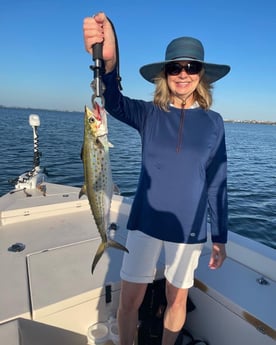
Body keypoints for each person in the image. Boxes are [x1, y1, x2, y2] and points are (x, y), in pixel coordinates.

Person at [83, 12, 230, 345]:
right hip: (144, 221)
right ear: (165, 74)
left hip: (188, 228)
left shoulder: (214, 123)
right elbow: (112, 101)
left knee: (176, 299)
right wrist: (109, 62)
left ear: (201, 74)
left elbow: (218, 181)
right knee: (129, 300)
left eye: (191, 67)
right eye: (175, 67)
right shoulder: (149, 114)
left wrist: (219, 235)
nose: (183, 74)